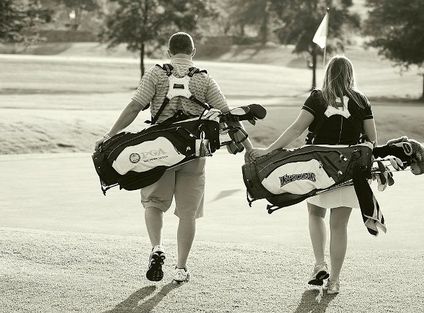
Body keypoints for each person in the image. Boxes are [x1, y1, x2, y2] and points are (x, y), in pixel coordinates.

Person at [95, 32, 253, 283]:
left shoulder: (156, 74)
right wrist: (250, 150)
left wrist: (109, 134)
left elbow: (135, 106)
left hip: (158, 152)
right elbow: (228, 115)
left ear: (169, 52)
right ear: (193, 52)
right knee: (188, 213)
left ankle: (157, 248)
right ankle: (181, 268)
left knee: (154, 204)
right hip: (195, 153)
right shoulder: (204, 78)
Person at [250, 56, 377, 294]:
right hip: (349, 170)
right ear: (350, 74)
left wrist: (269, 151)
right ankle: (335, 281)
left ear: (328, 73)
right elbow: (372, 139)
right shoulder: (361, 101)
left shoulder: (318, 97)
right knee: (339, 226)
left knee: (315, 213)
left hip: (317, 168)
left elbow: (296, 129)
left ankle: (320, 263)